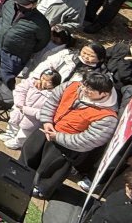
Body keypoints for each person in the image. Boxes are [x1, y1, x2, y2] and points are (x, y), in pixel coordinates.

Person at [20, 70, 118, 198]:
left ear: (104, 94)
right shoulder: (71, 86)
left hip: (67, 146)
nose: (83, 90)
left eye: (90, 90)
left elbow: (89, 140)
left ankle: (40, 189)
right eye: (84, 85)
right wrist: (47, 121)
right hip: (47, 129)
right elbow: (51, 102)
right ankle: (19, 174)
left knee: (50, 169)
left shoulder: (108, 117)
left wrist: (58, 137)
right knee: (29, 153)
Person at [0, 0, 52, 86]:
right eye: (19, 3)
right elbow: (3, 18)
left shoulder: (41, 22)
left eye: (25, 4)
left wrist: (24, 48)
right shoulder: (8, 5)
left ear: (34, 5)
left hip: (14, 54)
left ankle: (0, 97)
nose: (21, 5)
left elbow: (43, 41)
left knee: (6, 77)